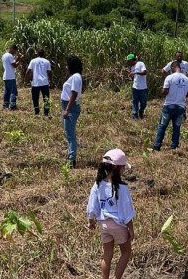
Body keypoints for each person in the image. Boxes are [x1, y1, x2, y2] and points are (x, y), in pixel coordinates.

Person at [87, 149, 135, 279]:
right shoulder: (122, 187)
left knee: (107, 254)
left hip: (104, 225)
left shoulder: (98, 184)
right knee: (126, 251)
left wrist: (91, 221)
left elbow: (92, 205)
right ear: (119, 168)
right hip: (119, 225)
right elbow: (126, 211)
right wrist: (131, 229)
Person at [153, 62, 188, 151]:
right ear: (180, 68)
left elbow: (165, 91)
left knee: (162, 126)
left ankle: (157, 146)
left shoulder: (169, 77)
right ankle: (174, 147)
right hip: (180, 107)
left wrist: (162, 93)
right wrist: (181, 92)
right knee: (176, 127)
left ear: (172, 68)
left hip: (169, 106)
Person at [61, 55, 83, 167]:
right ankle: (71, 156)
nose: (66, 66)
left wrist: (67, 110)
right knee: (68, 133)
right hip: (69, 106)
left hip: (70, 107)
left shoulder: (75, 77)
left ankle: (71, 159)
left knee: (70, 135)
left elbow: (74, 94)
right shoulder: (76, 76)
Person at [26, 49, 52, 116]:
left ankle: (37, 112)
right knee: (46, 98)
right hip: (44, 82)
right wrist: (50, 81)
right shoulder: (47, 61)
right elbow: (49, 72)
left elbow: (28, 71)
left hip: (35, 83)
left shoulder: (33, 61)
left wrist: (26, 80)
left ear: (37, 54)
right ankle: (46, 113)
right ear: (44, 54)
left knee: (35, 98)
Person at [125, 53, 147, 120]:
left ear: (132, 60)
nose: (128, 63)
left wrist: (135, 73)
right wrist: (130, 77)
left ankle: (141, 111)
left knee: (143, 103)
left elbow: (145, 72)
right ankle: (135, 116)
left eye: (128, 61)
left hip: (143, 88)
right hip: (135, 87)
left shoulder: (140, 63)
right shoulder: (131, 67)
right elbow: (133, 78)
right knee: (135, 102)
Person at [1, 44, 22, 110]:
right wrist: (20, 59)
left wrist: (18, 58)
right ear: (12, 49)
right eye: (15, 50)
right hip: (10, 76)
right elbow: (14, 65)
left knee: (7, 91)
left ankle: (5, 104)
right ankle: (12, 106)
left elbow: (13, 62)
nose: (15, 52)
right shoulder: (10, 56)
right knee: (13, 91)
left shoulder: (4, 55)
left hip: (5, 76)